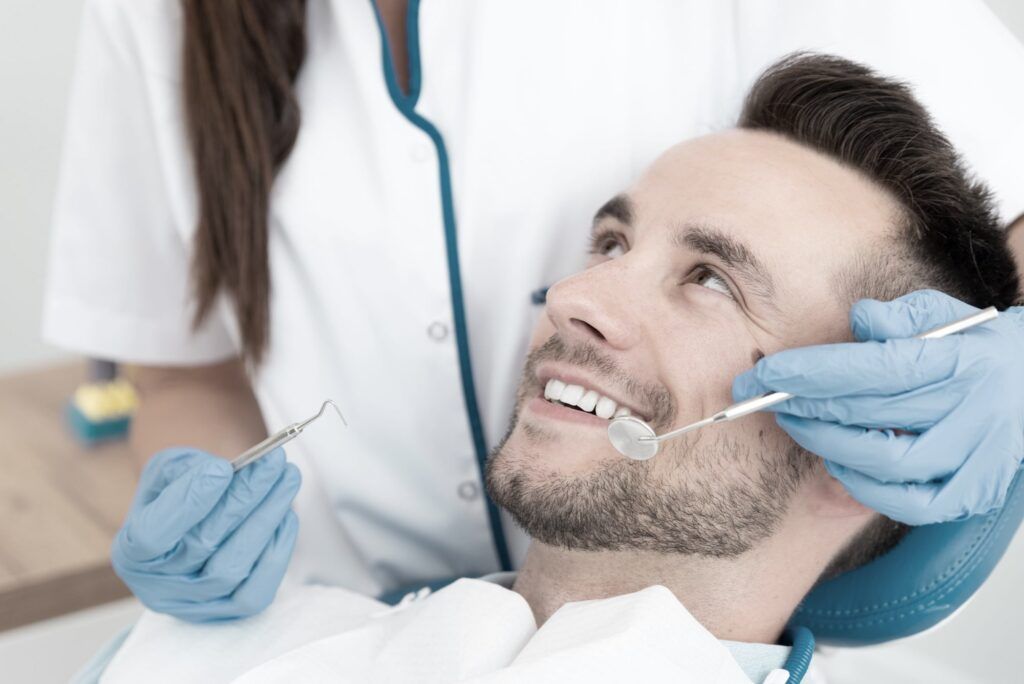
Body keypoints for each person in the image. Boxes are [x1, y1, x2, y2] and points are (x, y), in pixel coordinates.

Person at [45, 0, 1024, 621]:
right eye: (605, 244)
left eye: (707, 278)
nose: (571, 299)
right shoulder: (158, 18)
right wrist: (211, 527)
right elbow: (183, 366)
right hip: (338, 612)